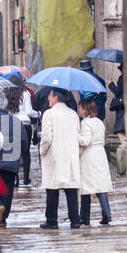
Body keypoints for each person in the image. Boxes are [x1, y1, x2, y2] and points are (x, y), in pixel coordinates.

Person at [39, 88, 81, 229]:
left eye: (49, 97)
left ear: (56, 97)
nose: (48, 99)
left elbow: (46, 137)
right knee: (71, 190)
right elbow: (78, 134)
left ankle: (52, 220)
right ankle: (75, 220)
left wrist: (42, 151)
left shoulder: (49, 114)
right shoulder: (73, 114)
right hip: (70, 155)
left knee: (52, 190)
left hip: (54, 155)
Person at [0, 92, 28, 228]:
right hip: (11, 161)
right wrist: (17, 156)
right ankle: (3, 217)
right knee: (7, 190)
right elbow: (24, 142)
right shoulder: (16, 120)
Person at [77, 99, 113, 225]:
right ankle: (106, 213)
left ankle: (84, 217)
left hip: (89, 155)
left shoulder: (86, 123)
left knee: (86, 187)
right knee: (101, 185)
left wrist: (76, 135)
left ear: (85, 109)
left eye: (80, 108)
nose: (78, 110)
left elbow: (85, 141)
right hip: (100, 154)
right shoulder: (99, 122)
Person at [4, 75, 40, 186]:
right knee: (26, 152)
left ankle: (15, 179)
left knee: (14, 152)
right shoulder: (25, 94)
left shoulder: (6, 94)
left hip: (12, 124)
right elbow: (29, 111)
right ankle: (26, 178)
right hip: (25, 124)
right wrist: (38, 113)